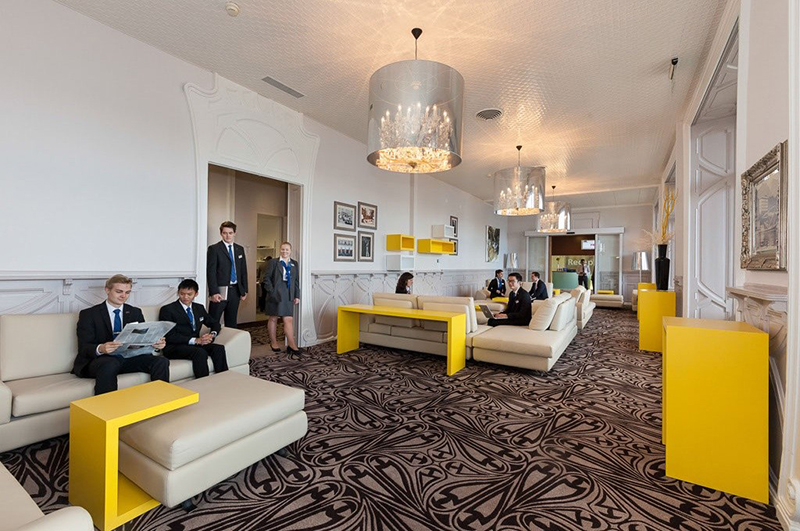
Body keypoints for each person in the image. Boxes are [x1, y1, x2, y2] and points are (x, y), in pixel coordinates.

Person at [73, 274, 169, 395]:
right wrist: (101, 348)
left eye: (127, 292)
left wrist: (155, 344)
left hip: (127, 358)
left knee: (161, 361)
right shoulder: (89, 314)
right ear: (107, 290)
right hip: (100, 360)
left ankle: (161, 399)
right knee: (110, 363)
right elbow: (84, 347)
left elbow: (142, 338)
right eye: (119, 291)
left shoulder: (135, 312)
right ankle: (106, 406)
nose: (123, 296)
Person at [159, 279, 228, 378]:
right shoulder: (167, 310)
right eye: (182, 294)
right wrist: (195, 340)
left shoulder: (199, 308)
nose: (185, 297)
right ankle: (203, 382)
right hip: (175, 347)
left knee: (218, 348)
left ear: (196, 294)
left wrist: (211, 335)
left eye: (189, 294)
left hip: (195, 344)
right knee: (199, 352)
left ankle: (223, 379)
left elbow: (214, 323)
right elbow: (170, 336)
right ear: (178, 292)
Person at [207, 221, 248, 328]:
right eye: (225, 233)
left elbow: (243, 271)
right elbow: (211, 272)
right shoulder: (214, 249)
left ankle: (230, 340)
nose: (228, 236)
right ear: (221, 233)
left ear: (234, 233)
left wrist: (244, 290)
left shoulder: (239, 249)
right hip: (220, 291)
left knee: (232, 322)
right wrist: (213, 292)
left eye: (230, 233)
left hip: (235, 291)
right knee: (213, 321)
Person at [263, 242, 301, 354]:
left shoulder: (294, 263)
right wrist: (272, 291)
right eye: (283, 249)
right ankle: (273, 342)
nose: (285, 251)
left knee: (288, 319)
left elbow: (296, 281)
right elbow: (266, 278)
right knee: (273, 318)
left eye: (287, 249)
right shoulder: (273, 262)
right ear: (280, 250)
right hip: (275, 293)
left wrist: (297, 295)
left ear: (290, 251)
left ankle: (292, 345)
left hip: (288, 294)